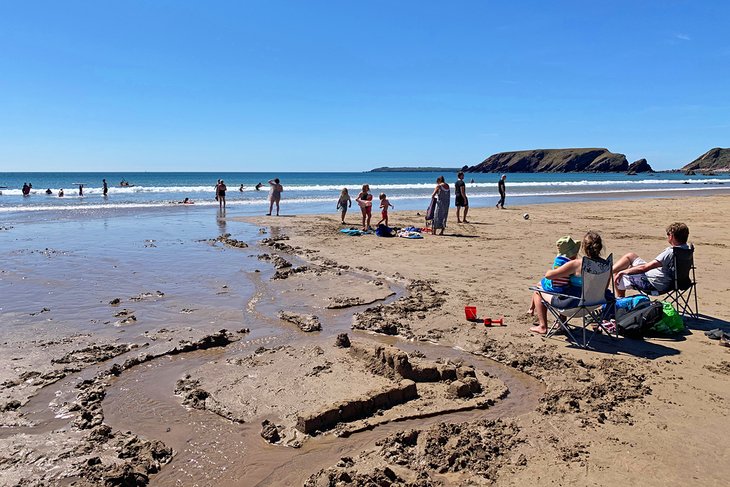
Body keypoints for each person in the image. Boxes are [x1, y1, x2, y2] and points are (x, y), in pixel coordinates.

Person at [529, 231, 605, 334]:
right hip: (595, 302)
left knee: (538, 291)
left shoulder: (576, 264)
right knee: (568, 288)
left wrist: (549, 271)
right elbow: (604, 286)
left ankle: (542, 326)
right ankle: (561, 323)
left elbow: (549, 276)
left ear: (583, 247)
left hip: (575, 305)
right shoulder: (606, 265)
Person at [612, 222, 690, 297]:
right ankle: (609, 271)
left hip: (656, 283)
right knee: (630, 256)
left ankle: (620, 301)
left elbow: (644, 268)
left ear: (671, 236)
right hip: (676, 282)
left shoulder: (671, 252)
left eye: (668, 234)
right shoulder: (687, 250)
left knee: (619, 274)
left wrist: (624, 272)